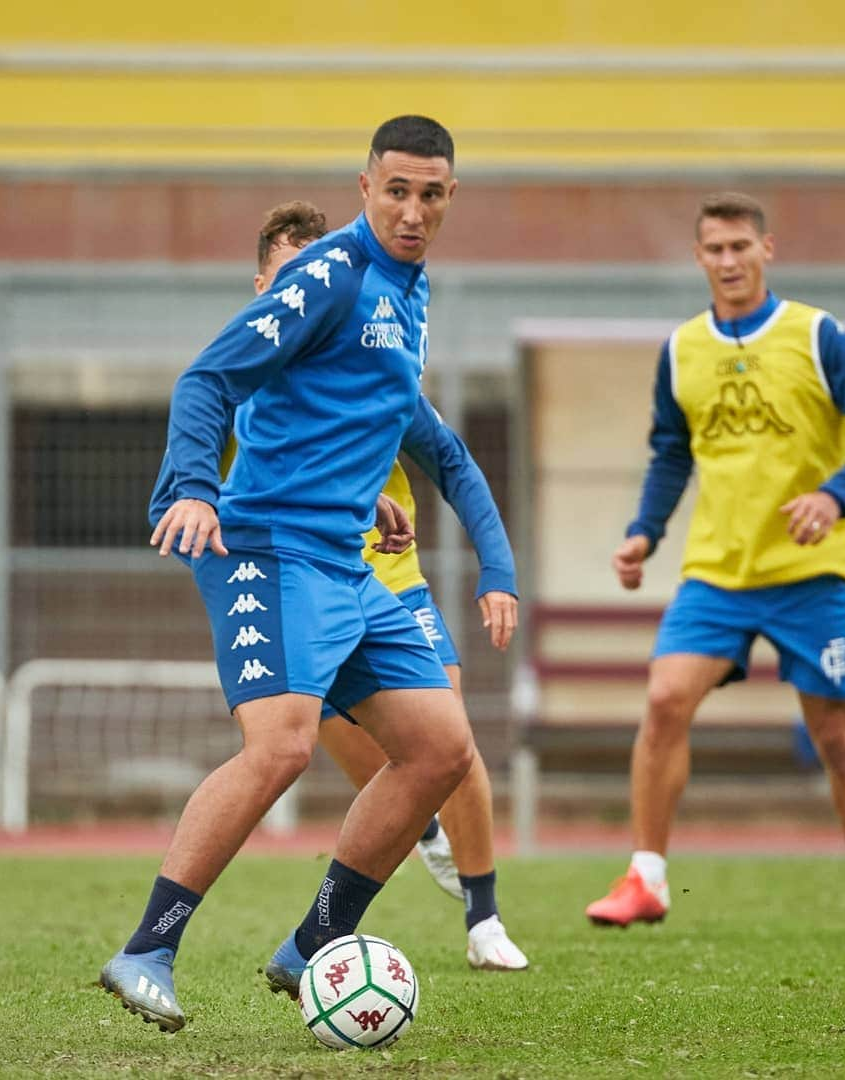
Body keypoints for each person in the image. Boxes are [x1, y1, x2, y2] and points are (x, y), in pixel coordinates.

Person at [99, 116, 503, 1035]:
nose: (411, 209)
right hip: (264, 551)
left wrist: (367, 499)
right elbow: (208, 379)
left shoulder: (411, 290)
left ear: (448, 200)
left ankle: (314, 941)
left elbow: (346, 417)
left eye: (429, 194)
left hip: (346, 562)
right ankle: (147, 950)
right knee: (280, 747)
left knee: (441, 748)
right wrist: (193, 488)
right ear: (365, 187)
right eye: (395, 190)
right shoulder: (330, 273)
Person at [584, 192, 845, 945]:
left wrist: (835, 495)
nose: (728, 261)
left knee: (836, 737)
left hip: (810, 576)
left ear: (769, 249)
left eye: (741, 247)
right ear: (699, 258)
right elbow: (671, 451)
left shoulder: (817, 335)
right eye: (715, 250)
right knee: (665, 700)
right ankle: (646, 879)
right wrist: (643, 533)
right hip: (717, 576)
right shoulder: (682, 350)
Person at [243, 199, 527, 970]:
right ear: (261, 283)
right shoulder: (243, 374)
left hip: (388, 587)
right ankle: (387, 866)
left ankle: (483, 916)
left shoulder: (372, 368)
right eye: (285, 276)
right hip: (294, 588)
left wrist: (498, 571)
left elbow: (454, 464)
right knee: (348, 757)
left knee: (451, 739)